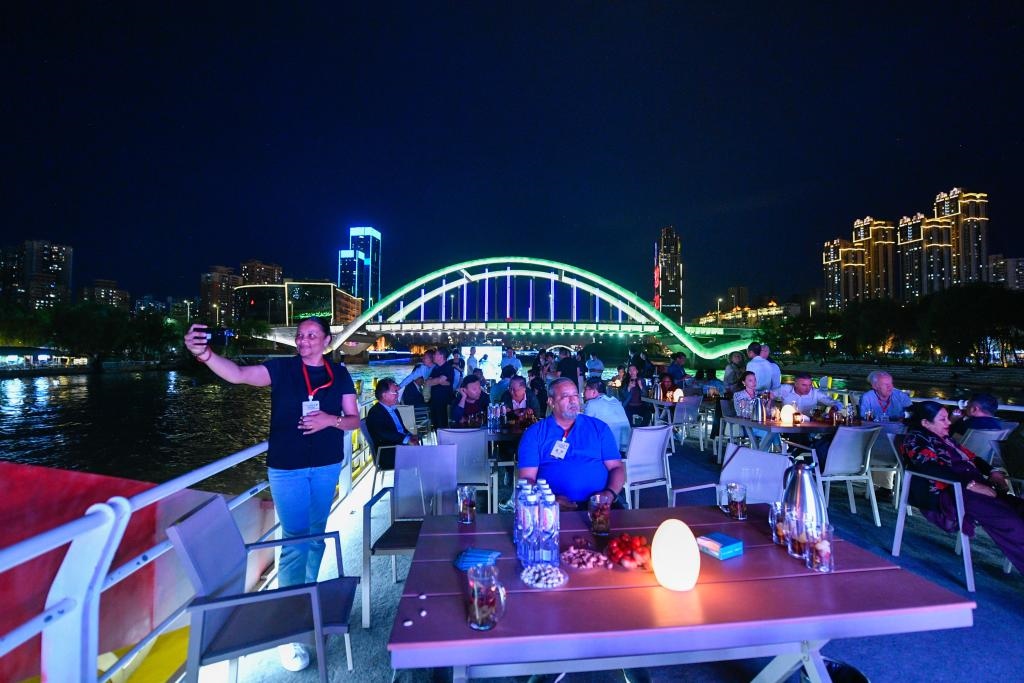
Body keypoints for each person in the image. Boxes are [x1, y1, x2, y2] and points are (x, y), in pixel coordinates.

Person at [183, 317, 357, 673]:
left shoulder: (339, 374)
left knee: (316, 537)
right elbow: (238, 375)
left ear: (326, 340)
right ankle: (290, 628)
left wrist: (330, 420)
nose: (304, 340)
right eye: (300, 335)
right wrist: (205, 355)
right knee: (294, 541)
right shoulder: (282, 369)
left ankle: (305, 596)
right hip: (287, 468)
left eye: (312, 335)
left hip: (326, 466)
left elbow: (353, 419)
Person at [898, 401, 1024, 573]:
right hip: (951, 492)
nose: (949, 422)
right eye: (942, 419)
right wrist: (970, 485)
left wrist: (993, 471)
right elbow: (929, 467)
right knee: (1012, 523)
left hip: (977, 488)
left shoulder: (946, 439)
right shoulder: (915, 439)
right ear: (925, 423)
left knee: (1019, 509)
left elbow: (972, 458)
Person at [518, 377, 625, 510]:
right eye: (565, 396)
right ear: (551, 402)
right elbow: (526, 479)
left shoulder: (599, 428)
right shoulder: (535, 433)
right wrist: (550, 500)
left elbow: (617, 468)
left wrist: (609, 494)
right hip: (550, 507)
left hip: (600, 505)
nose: (573, 400)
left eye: (575, 395)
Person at [366, 377, 420, 447]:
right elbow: (385, 434)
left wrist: (411, 435)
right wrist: (407, 439)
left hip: (402, 443)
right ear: (384, 395)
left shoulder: (393, 408)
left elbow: (402, 428)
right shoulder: (375, 413)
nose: (397, 395)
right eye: (395, 392)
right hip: (390, 448)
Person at [583, 378, 632, 451]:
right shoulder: (615, 400)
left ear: (594, 391)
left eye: (585, 389)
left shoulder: (591, 404)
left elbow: (584, 427)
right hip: (626, 448)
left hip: (609, 450)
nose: (584, 392)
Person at [772, 372, 843, 416]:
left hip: (808, 426)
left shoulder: (815, 393)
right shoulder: (785, 389)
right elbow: (769, 395)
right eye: (804, 385)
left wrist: (834, 408)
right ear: (795, 384)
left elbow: (837, 403)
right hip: (787, 424)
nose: (808, 388)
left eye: (810, 385)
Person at [426, 348, 456, 429]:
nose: (433, 356)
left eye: (435, 354)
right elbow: (428, 382)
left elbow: (440, 380)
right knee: (435, 425)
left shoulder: (448, 367)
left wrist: (438, 381)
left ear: (441, 356)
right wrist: (439, 381)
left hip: (444, 403)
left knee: (443, 425)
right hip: (434, 401)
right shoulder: (435, 368)